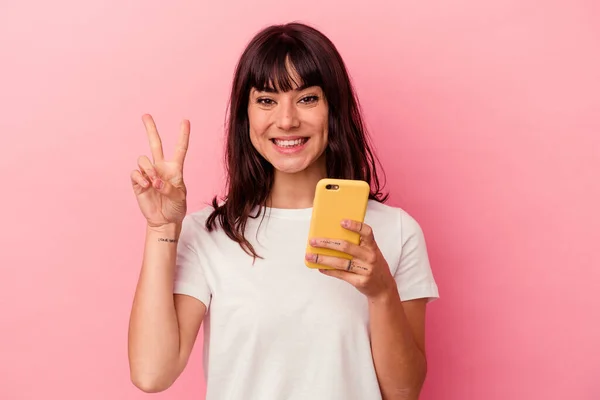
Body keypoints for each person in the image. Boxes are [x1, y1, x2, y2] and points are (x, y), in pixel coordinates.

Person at [127, 22, 439, 400]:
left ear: (333, 109)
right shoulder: (209, 234)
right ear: (246, 116)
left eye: (307, 98)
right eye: (266, 100)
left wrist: (382, 292)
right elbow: (151, 373)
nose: (287, 120)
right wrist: (161, 227)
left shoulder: (396, 231)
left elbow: (404, 392)